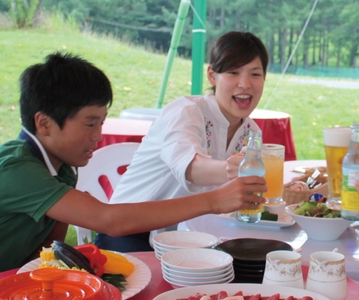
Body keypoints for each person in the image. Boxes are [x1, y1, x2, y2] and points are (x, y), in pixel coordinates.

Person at [0, 52, 265, 300]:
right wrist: (216, 199)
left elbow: (48, 255)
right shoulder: (15, 167)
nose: (99, 136)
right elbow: (108, 218)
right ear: (44, 123)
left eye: (101, 121)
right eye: (90, 123)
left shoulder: (61, 166)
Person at [97, 31, 268, 252]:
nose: (245, 84)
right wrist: (232, 169)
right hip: (130, 230)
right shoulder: (185, 112)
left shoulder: (251, 132)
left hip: (189, 238)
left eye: (255, 74)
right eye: (233, 72)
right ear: (212, 75)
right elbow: (190, 166)